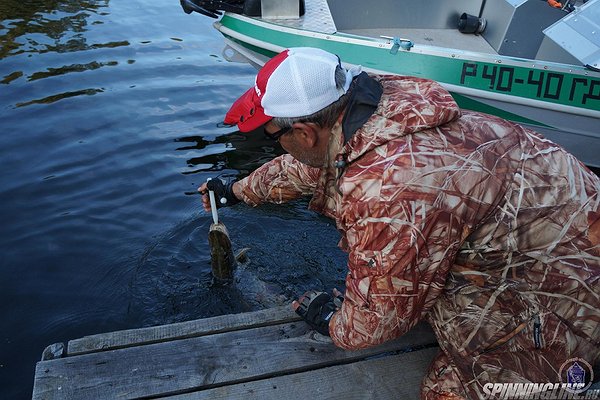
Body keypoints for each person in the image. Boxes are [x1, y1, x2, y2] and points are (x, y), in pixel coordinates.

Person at [198, 47, 600, 399]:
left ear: (304, 131)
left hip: (572, 304)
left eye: (272, 137)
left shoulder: (388, 191)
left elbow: (374, 324)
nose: (274, 145)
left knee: (446, 388)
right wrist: (234, 191)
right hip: (550, 242)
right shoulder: (383, 104)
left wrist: (332, 320)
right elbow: (311, 167)